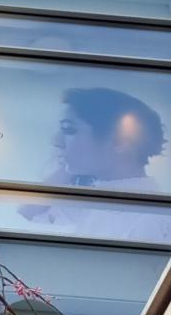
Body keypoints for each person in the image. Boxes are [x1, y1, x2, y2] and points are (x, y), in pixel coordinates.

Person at [19, 86, 171, 242]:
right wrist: (71, 165)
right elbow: (28, 214)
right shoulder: (98, 199)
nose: (56, 141)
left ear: (120, 141)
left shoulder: (150, 219)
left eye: (69, 129)